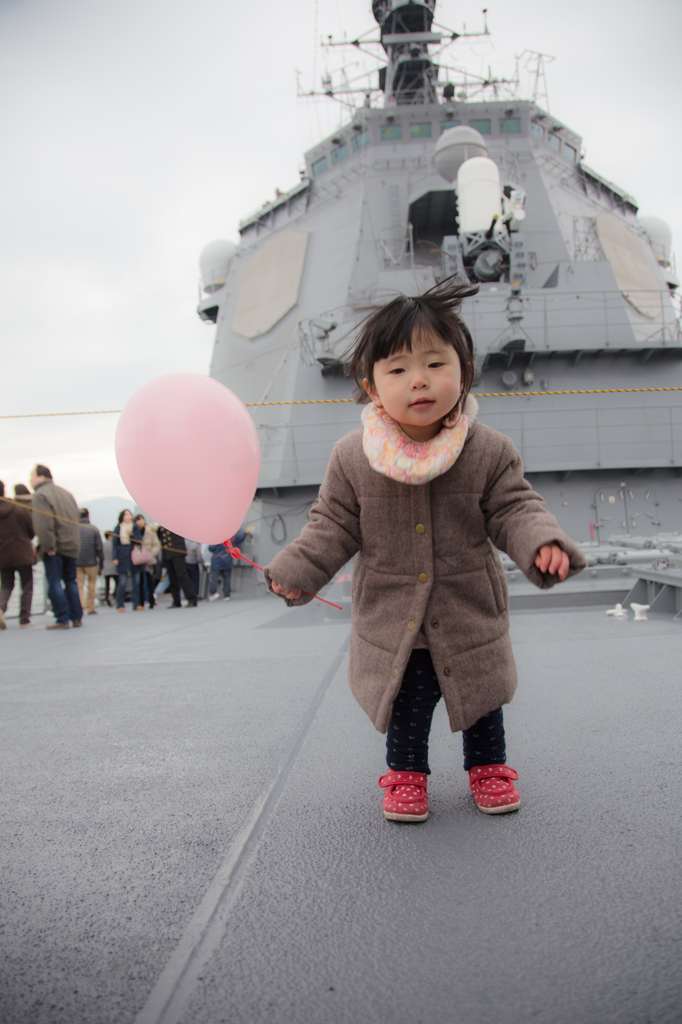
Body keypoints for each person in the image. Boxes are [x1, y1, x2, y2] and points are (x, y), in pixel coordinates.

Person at [265, 278, 586, 822]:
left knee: (482, 701)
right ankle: (406, 776)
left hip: (467, 611)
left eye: (436, 364)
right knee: (408, 704)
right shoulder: (352, 456)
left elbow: (514, 508)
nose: (419, 381)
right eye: (398, 370)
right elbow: (332, 525)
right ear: (372, 386)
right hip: (396, 618)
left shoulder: (488, 449)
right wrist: (297, 570)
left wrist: (542, 542)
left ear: (463, 373)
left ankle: (489, 768)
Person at [30, 464, 83, 630]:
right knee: (71, 582)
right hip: (72, 545)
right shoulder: (67, 493)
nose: (30, 480)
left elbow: (43, 524)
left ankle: (62, 618)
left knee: (54, 583)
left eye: (31, 476)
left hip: (56, 546)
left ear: (40, 476)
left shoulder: (40, 495)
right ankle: (76, 617)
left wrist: (47, 545)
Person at [0, 480, 35, 629]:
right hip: (22, 552)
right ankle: (24, 619)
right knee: (27, 585)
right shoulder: (19, 508)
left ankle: (1, 608)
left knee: (7, 584)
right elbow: (31, 530)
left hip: (3, 554)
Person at [111, 510, 143, 612]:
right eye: (126, 514)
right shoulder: (118, 527)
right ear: (122, 517)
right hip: (122, 554)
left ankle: (136, 603)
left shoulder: (135, 527)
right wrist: (114, 557)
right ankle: (120, 604)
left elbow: (139, 540)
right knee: (122, 582)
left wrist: (131, 534)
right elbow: (114, 544)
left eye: (130, 514)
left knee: (136, 582)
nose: (129, 516)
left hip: (133, 554)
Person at [158, 526, 197, 608]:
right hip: (168, 553)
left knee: (182, 575)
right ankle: (176, 600)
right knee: (172, 578)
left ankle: (191, 598)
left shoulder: (175, 523)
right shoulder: (162, 526)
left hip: (177, 551)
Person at [76, 508, 103, 615]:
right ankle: (90, 607)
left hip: (77, 561)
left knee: (79, 585)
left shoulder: (74, 528)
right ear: (88, 516)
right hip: (92, 562)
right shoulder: (94, 529)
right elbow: (99, 547)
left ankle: (80, 605)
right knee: (91, 585)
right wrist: (101, 561)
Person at [207, 531, 247, 602]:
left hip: (217, 561)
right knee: (227, 580)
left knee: (214, 579)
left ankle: (213, 593)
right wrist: (245, 532)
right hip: (227, 561)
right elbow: (241, 537)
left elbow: (211, 548)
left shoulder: (217, 538)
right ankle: (226, 595)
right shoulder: (233, 537)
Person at [134, 515, 161, 608]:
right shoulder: (134, 532)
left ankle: (151, 601)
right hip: (138, 559)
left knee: (150, 581)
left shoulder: (150, 531)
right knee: (139, 581)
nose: (139, 522)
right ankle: (141, 601)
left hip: (149, 558)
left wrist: (151, 554)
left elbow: (157, 544)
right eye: (137, 520)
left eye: (141, 520)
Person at [102, 531, 118, 606]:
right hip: (113, 566)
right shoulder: (113, 544)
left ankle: (107, 598)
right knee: (118, 583)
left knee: (107, 585)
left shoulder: (103, 545)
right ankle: (114, 595)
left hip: (105, 566)